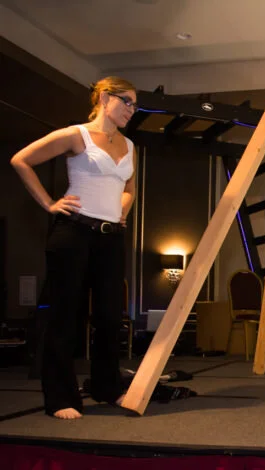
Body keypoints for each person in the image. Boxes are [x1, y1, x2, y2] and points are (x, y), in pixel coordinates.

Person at [10, 76, 138, 419]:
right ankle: (60, 398)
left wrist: (122, 210)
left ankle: (107, 387)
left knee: (110, 317)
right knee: (66, 316)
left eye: (135, 104)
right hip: (74, 233)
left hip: (111, 238)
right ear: (105, 98)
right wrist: (49, 204)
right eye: (126, 101)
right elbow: (21, 160)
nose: (131, 109)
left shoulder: (129, 145)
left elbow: (129, 188)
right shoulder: (76, 135)